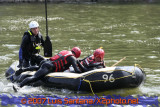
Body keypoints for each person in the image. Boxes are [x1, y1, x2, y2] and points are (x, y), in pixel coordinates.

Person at [14, 47, 86, 90]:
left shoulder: (65, 51)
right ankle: (19, 86)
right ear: (77, 55)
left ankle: (23, 69)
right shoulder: (73, 58)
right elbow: (76, 70)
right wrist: (83, 73)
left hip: (46, 62)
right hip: (49, 67)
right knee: (34, 77)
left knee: (38, 68)